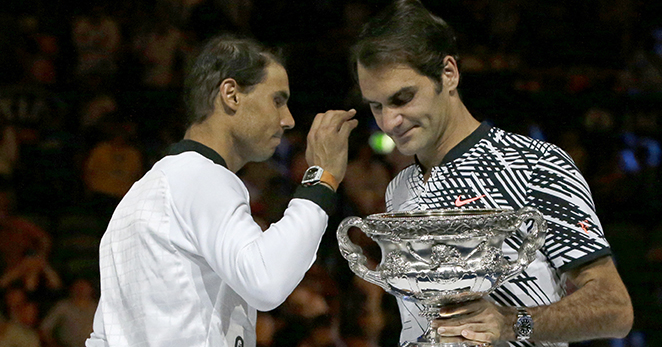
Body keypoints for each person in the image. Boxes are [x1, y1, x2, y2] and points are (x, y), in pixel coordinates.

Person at [350, 0, 633, 346]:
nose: (389, 121)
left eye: (403, 98)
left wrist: (513, 324)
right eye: (376, 106)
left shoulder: (534, 164)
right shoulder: (399, 189)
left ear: (448, 73)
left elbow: (615, 310)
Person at [85, 35, 358, 347]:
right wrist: (321, 181)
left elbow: (103, 336)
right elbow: (265, 279)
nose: (288, 120)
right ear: (231, 94)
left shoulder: (139, 195)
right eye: (277, 100)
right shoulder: (199, 175)